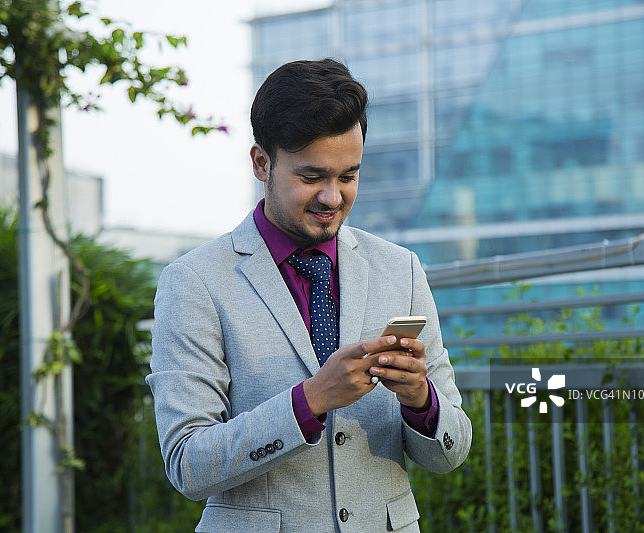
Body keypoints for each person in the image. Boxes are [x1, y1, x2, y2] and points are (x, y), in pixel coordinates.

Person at [147, 58, 471, 533]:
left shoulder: (399, 268)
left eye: (348, 176)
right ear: (262, 163)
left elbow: (451, 452)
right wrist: (311, 400)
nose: (332, 197)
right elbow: (188, 464)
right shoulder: (194, 281)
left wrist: (421, 399)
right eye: (311, 177)